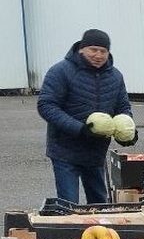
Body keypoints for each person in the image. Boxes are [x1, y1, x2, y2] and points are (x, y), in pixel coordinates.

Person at [37, 29, 135, 204]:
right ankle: (70, 231)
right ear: (81, 49)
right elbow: (46, 106)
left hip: (95, 151)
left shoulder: (115, 76)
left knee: (99, 202)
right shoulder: (61, 71)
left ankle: (101, 232)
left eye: (103, 51)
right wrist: (79, 128)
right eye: (93, 49)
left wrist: (128, 131)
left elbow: (122, 107)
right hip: (65, 150)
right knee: (69, 203)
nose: (98, 55)